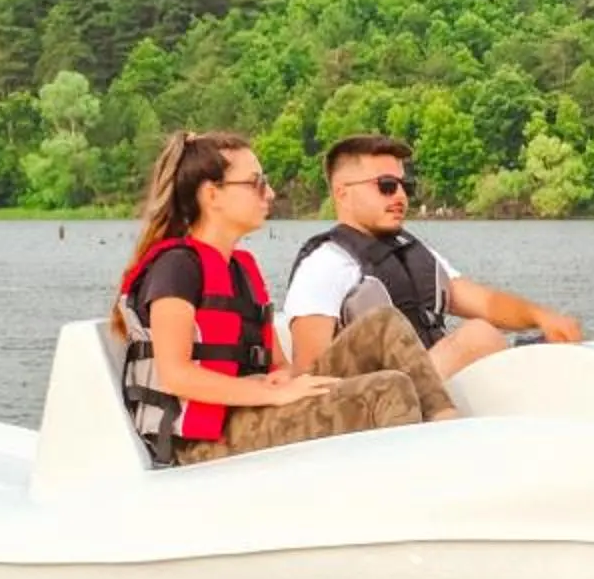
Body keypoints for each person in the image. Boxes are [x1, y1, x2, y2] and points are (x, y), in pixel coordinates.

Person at [113, 130, 458, 467]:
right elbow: (176, 375)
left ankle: (449, 429)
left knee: (384, 323)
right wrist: (273, 394)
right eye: (256, 183)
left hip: (252, 410)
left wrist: (282, 378)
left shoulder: (241, 270)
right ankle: (417, 489)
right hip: (203, 442)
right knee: (387, 388)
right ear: (211, 194)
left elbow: (278, 365)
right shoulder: (176, 268)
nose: (270, 193)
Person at [281, 133, 583, 379]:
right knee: (478, 336)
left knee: (539, 349)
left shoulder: (413, 252)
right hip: (377, 402)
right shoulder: (323, 266)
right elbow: (310, 372)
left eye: (405, 186)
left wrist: (540, 316)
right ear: (342, 192)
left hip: (432, 384)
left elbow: (486, 303)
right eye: (386, 186)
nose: (400, 196)